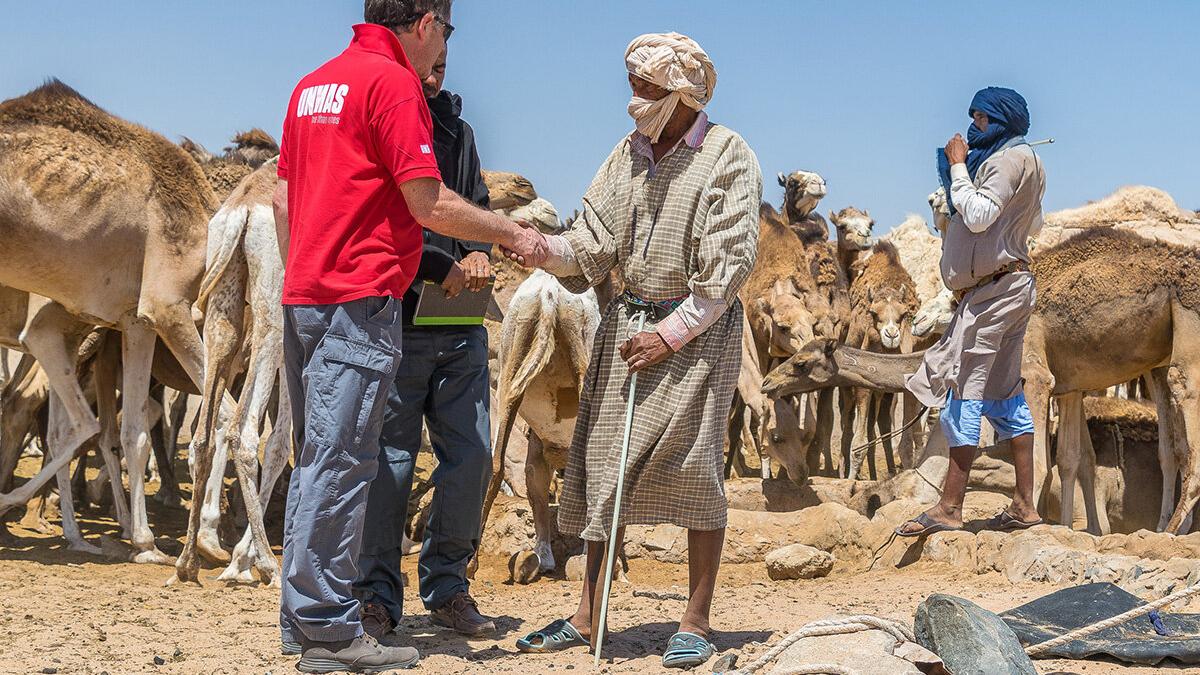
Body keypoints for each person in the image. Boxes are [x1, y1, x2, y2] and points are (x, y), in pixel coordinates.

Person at [272, 1, 546, 671]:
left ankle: (304, 621)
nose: (442, 47)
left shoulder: (313, 85)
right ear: (426, 23)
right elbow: (427, 201)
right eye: (444, 31)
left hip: (306, 296)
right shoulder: (390, 82)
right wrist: (511, 233)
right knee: (346, 465)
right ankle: (329, 632)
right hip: (362, 300)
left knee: (317, 461)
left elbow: (282, 199)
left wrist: (308, 270)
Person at [505, 32, 762, 670]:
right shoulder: (627, 155)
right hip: (628, 328)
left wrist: (670, 333)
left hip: (696, 332)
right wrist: (542, 249)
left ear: (682, 94)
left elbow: (726, 268)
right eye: (632, 87)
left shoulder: (728, 156)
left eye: (647, 89)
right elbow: (592, 239)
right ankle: (587, 615)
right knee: (602, 465)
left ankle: (694, 621)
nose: (634, 101)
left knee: (696, 468)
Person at [351, 47, 498, 640]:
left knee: (474, 455)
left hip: (460, 324)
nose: (435, 75)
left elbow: (476, 204)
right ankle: (376, 597)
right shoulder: (384, 125)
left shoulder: (460, 133)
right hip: (399, 319)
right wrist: (442, 266)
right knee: (390, 464)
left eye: (443, 64)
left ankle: (448, 586)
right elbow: (393, 218)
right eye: (427, 64)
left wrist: (481, 251)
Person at [898, 87, 1046, 538]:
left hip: (993, 293)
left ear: (1002, 120)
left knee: (965, 389)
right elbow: (1033, 224)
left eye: (981, 119)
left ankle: (949, 506)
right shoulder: (1029, 162)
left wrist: (959, 166)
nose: (973, 126)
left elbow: (979, 215)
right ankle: (1024, 505)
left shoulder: (1005, 162)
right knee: (1006, 393)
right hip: (1008, 286)